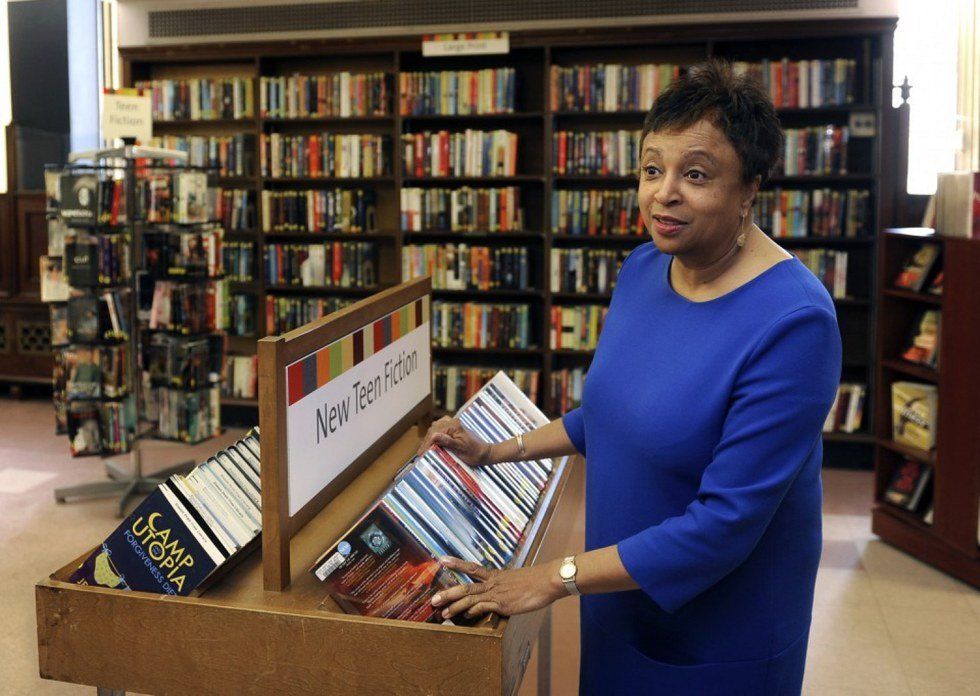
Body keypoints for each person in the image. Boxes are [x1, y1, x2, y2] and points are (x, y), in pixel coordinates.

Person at [417, 60, 841, 695]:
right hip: (616, 590)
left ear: (750, 187)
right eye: (651, 168)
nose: (662, 193)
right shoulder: (645, 268)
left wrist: (550, 578)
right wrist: (492, 451)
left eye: (694, 174)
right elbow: (613, 414)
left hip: (719, 630)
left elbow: (724, 524)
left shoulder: (795, 323)